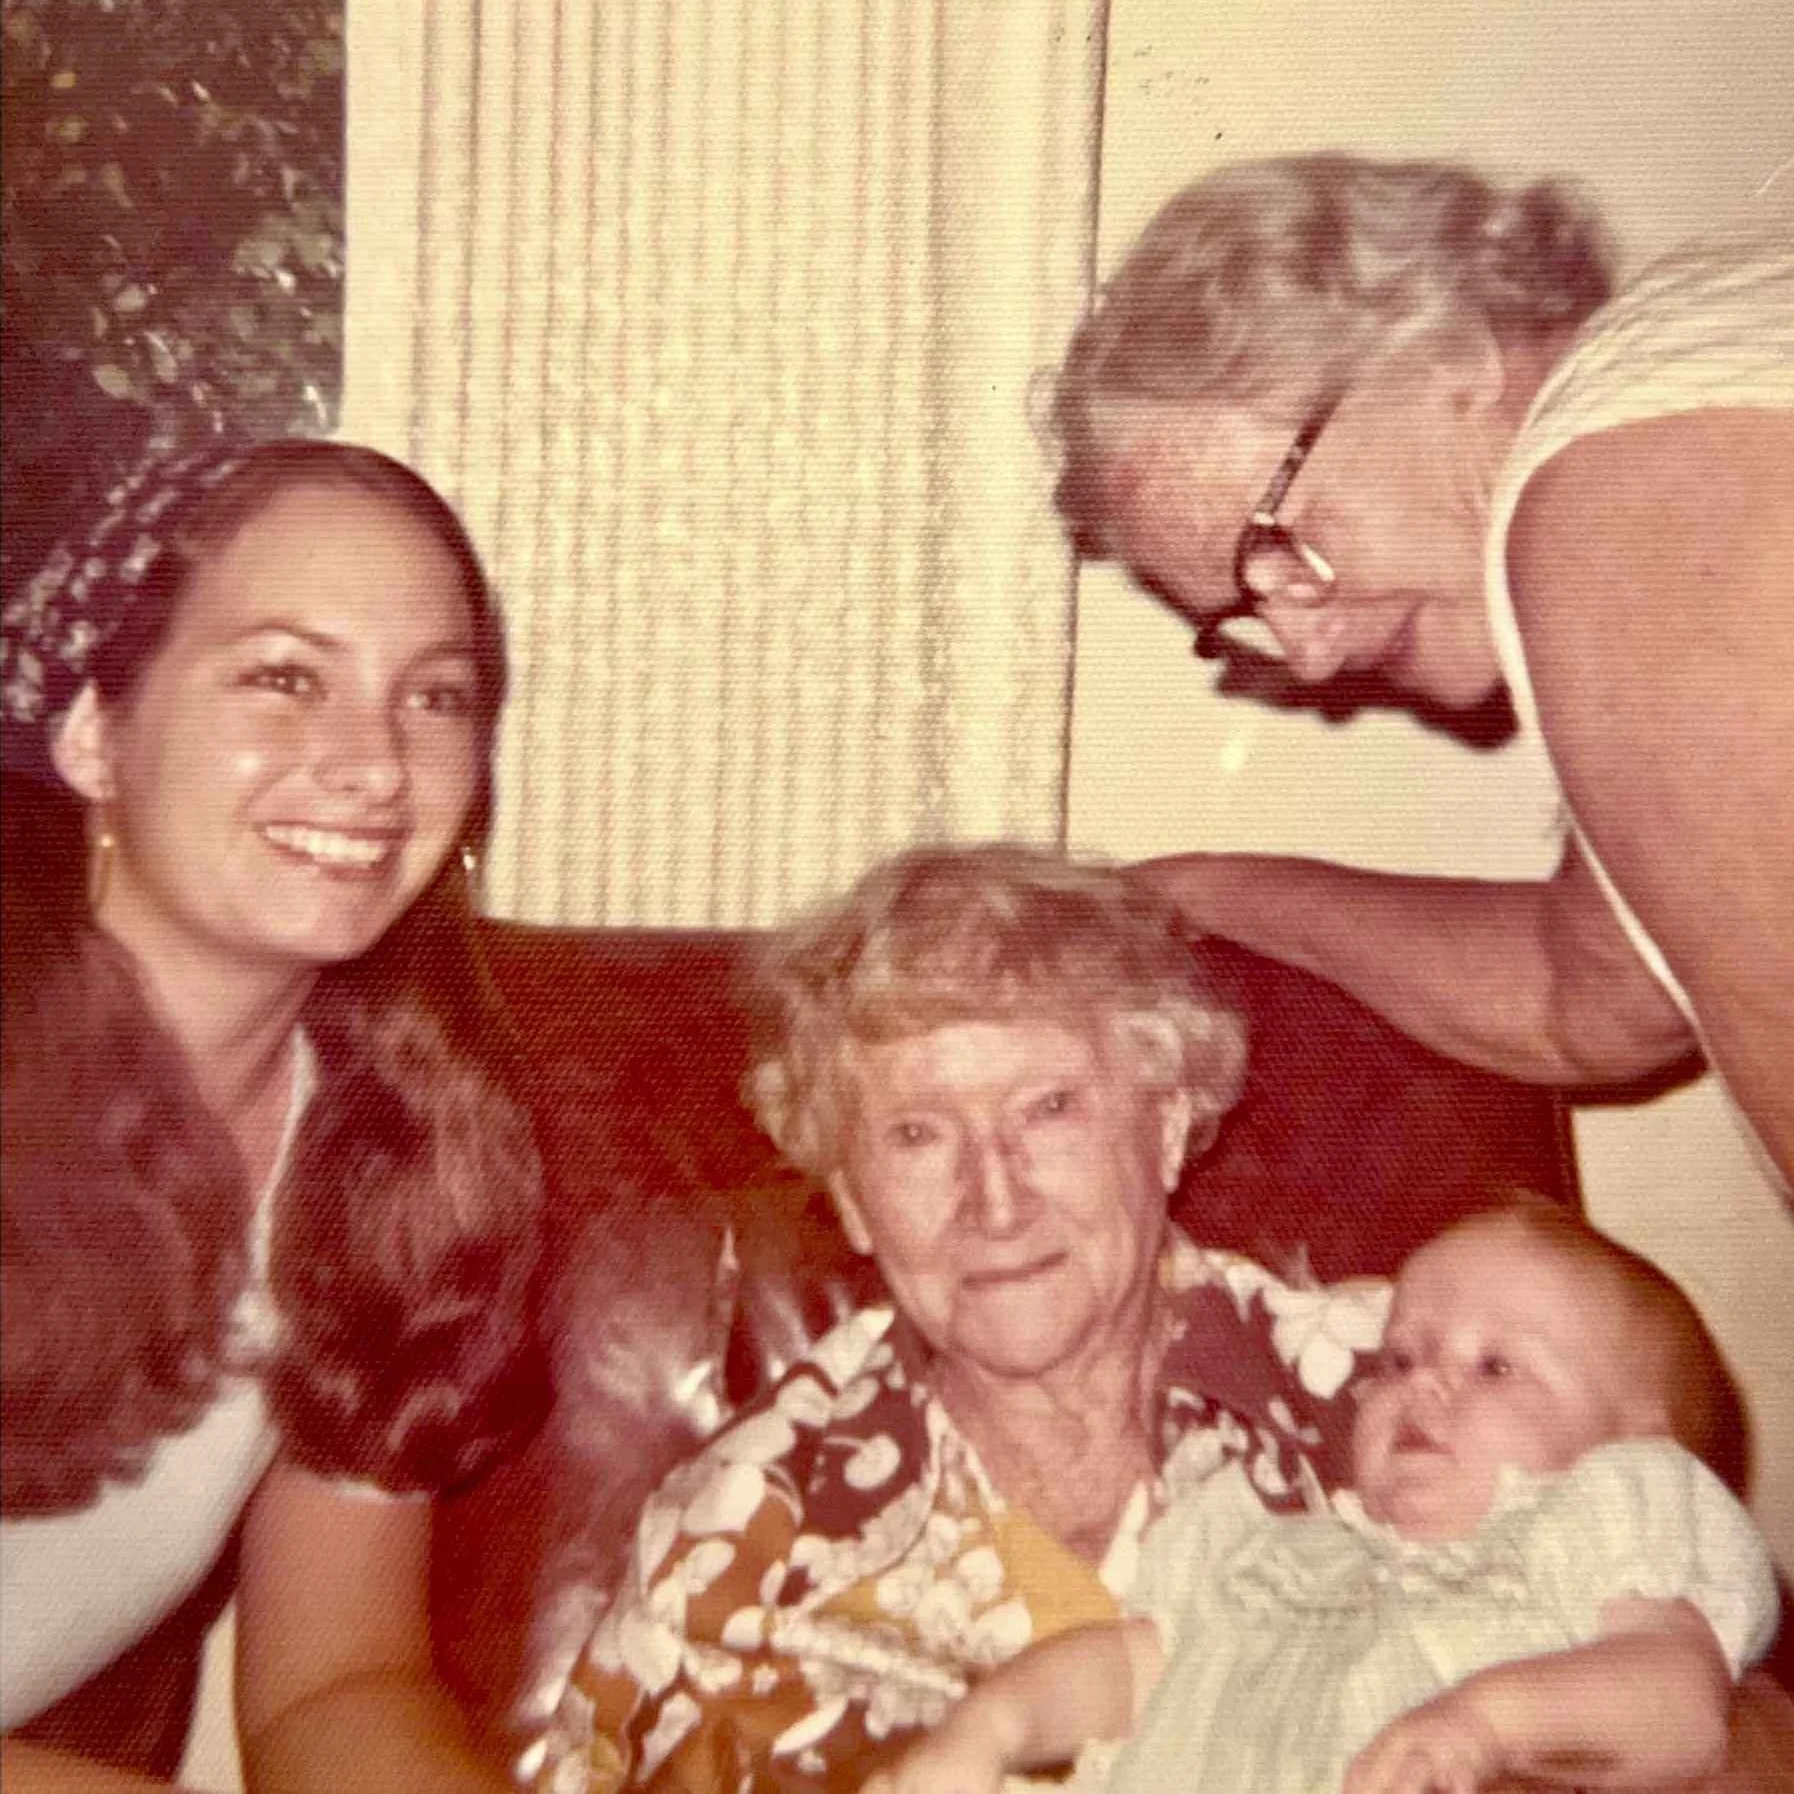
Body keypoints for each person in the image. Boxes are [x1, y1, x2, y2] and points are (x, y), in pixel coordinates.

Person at [528, 843, 1395, 1793]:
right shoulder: (738, 1532)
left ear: (1168, 1126)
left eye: (1049, 1108)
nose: (996, 1201)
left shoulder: (1399, 1401)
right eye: (917, 1133)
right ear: (851, 1197)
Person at [1045, 154, 1794, 1199]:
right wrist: (1182, 892)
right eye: (1245, 613)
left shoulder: (1608, 500)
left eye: (1276, 544)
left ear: (1453, 357)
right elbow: (1596, 995)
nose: (1310, 657)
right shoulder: (1679, 383)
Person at [1, 440, 547, 1791]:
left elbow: (336, 1681)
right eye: (285, 677)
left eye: (434, 697)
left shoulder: (391, 1152)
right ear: (95, 731)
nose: (376, 765)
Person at [866, 1200, 1781, 1794]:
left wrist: (1484, 1726)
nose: (1424, 1383)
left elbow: (1683, 1703)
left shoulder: (1601, 1516)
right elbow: (1126, 1666)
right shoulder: (1277, 1553)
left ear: (1639, 1440)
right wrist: (988, 1728)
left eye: (1496, 1366)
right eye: (1401, 1357)